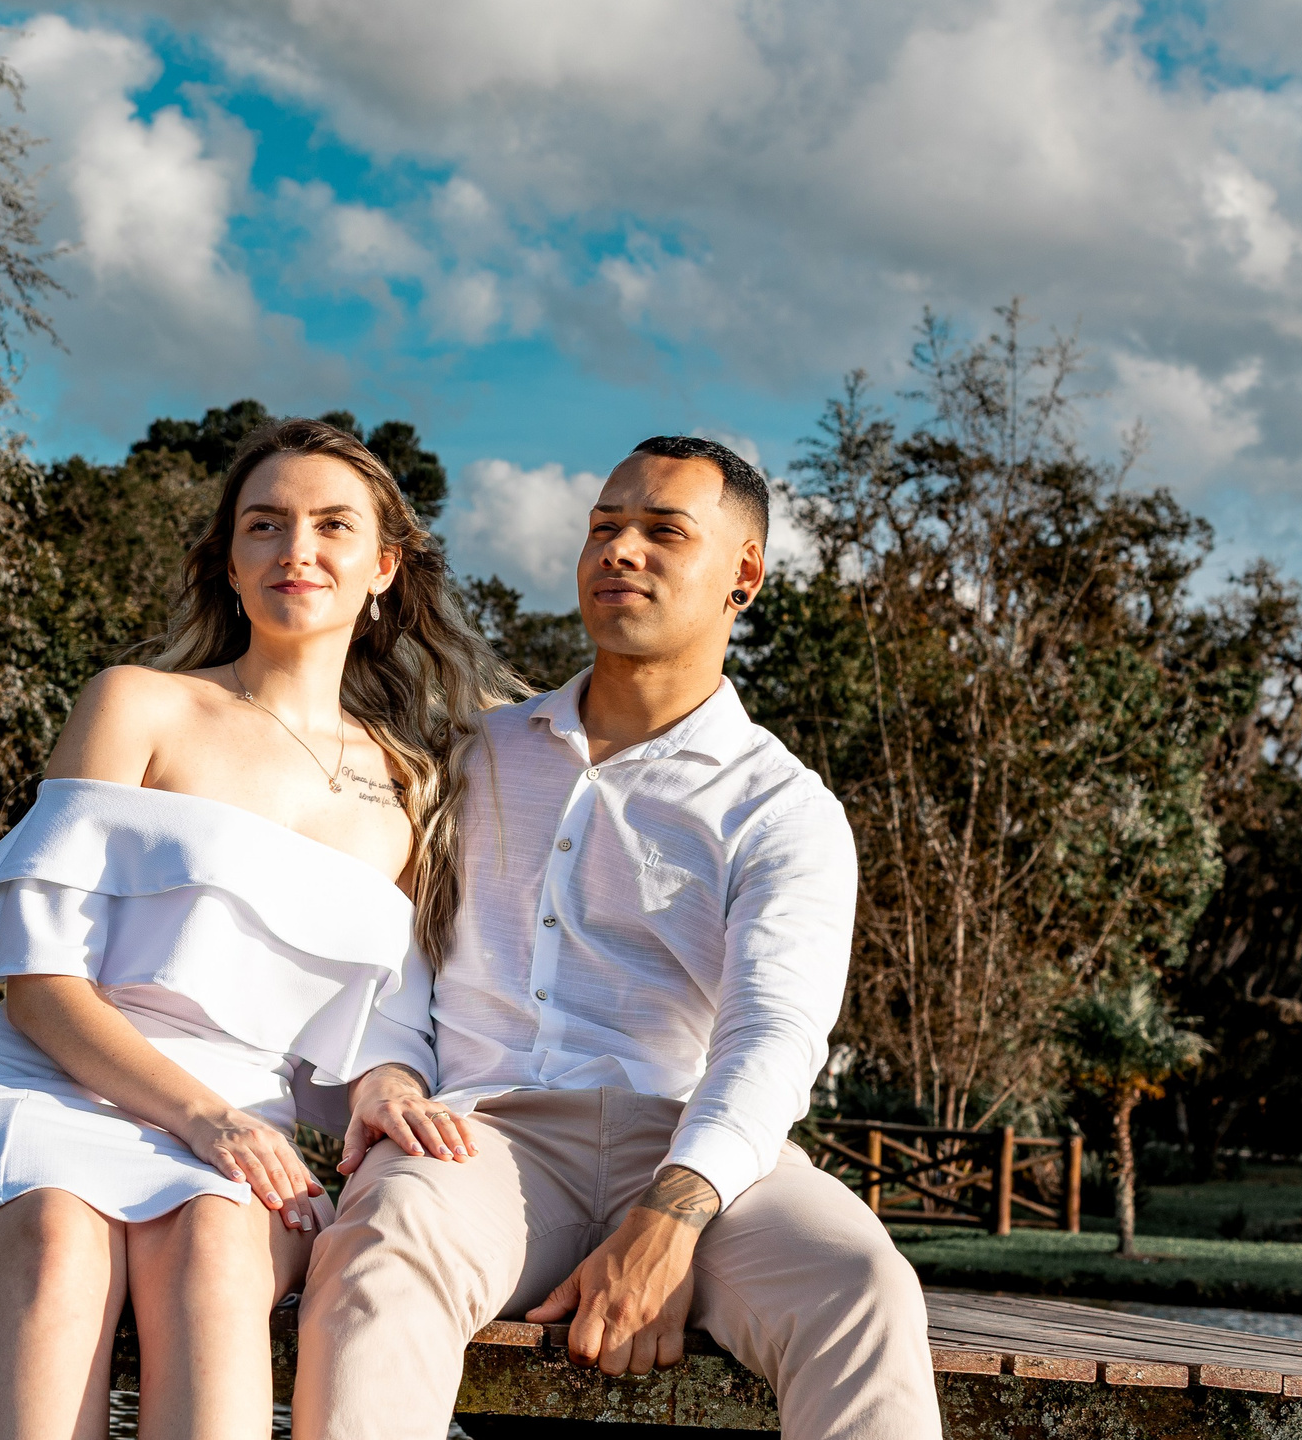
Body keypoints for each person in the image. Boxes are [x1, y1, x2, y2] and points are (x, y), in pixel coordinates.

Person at [295, 436, 941, 1440]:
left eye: (661, 531)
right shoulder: (475, 756)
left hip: (696, 1147)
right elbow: (399, 943)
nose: (619, 550)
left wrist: (672, 1215)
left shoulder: (781, 807)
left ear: (743, 575)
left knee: (862, 1288)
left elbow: (774, 1032)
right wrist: (385, 1066)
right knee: (382, 1246)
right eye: (603, 528)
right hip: (483, 1137)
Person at [0, 418, 518, 1440]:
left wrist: (389, 1086)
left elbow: (376, 1033)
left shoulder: (412, 787)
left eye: (330, 526)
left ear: (383, 568)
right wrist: (202, 1117)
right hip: (36, 1092)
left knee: (220, 1248)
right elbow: (39, 986)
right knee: (59, 1246)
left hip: (243, 1140)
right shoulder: (137, 706)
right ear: (230, 560)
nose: (294, 550)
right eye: (263, 525)